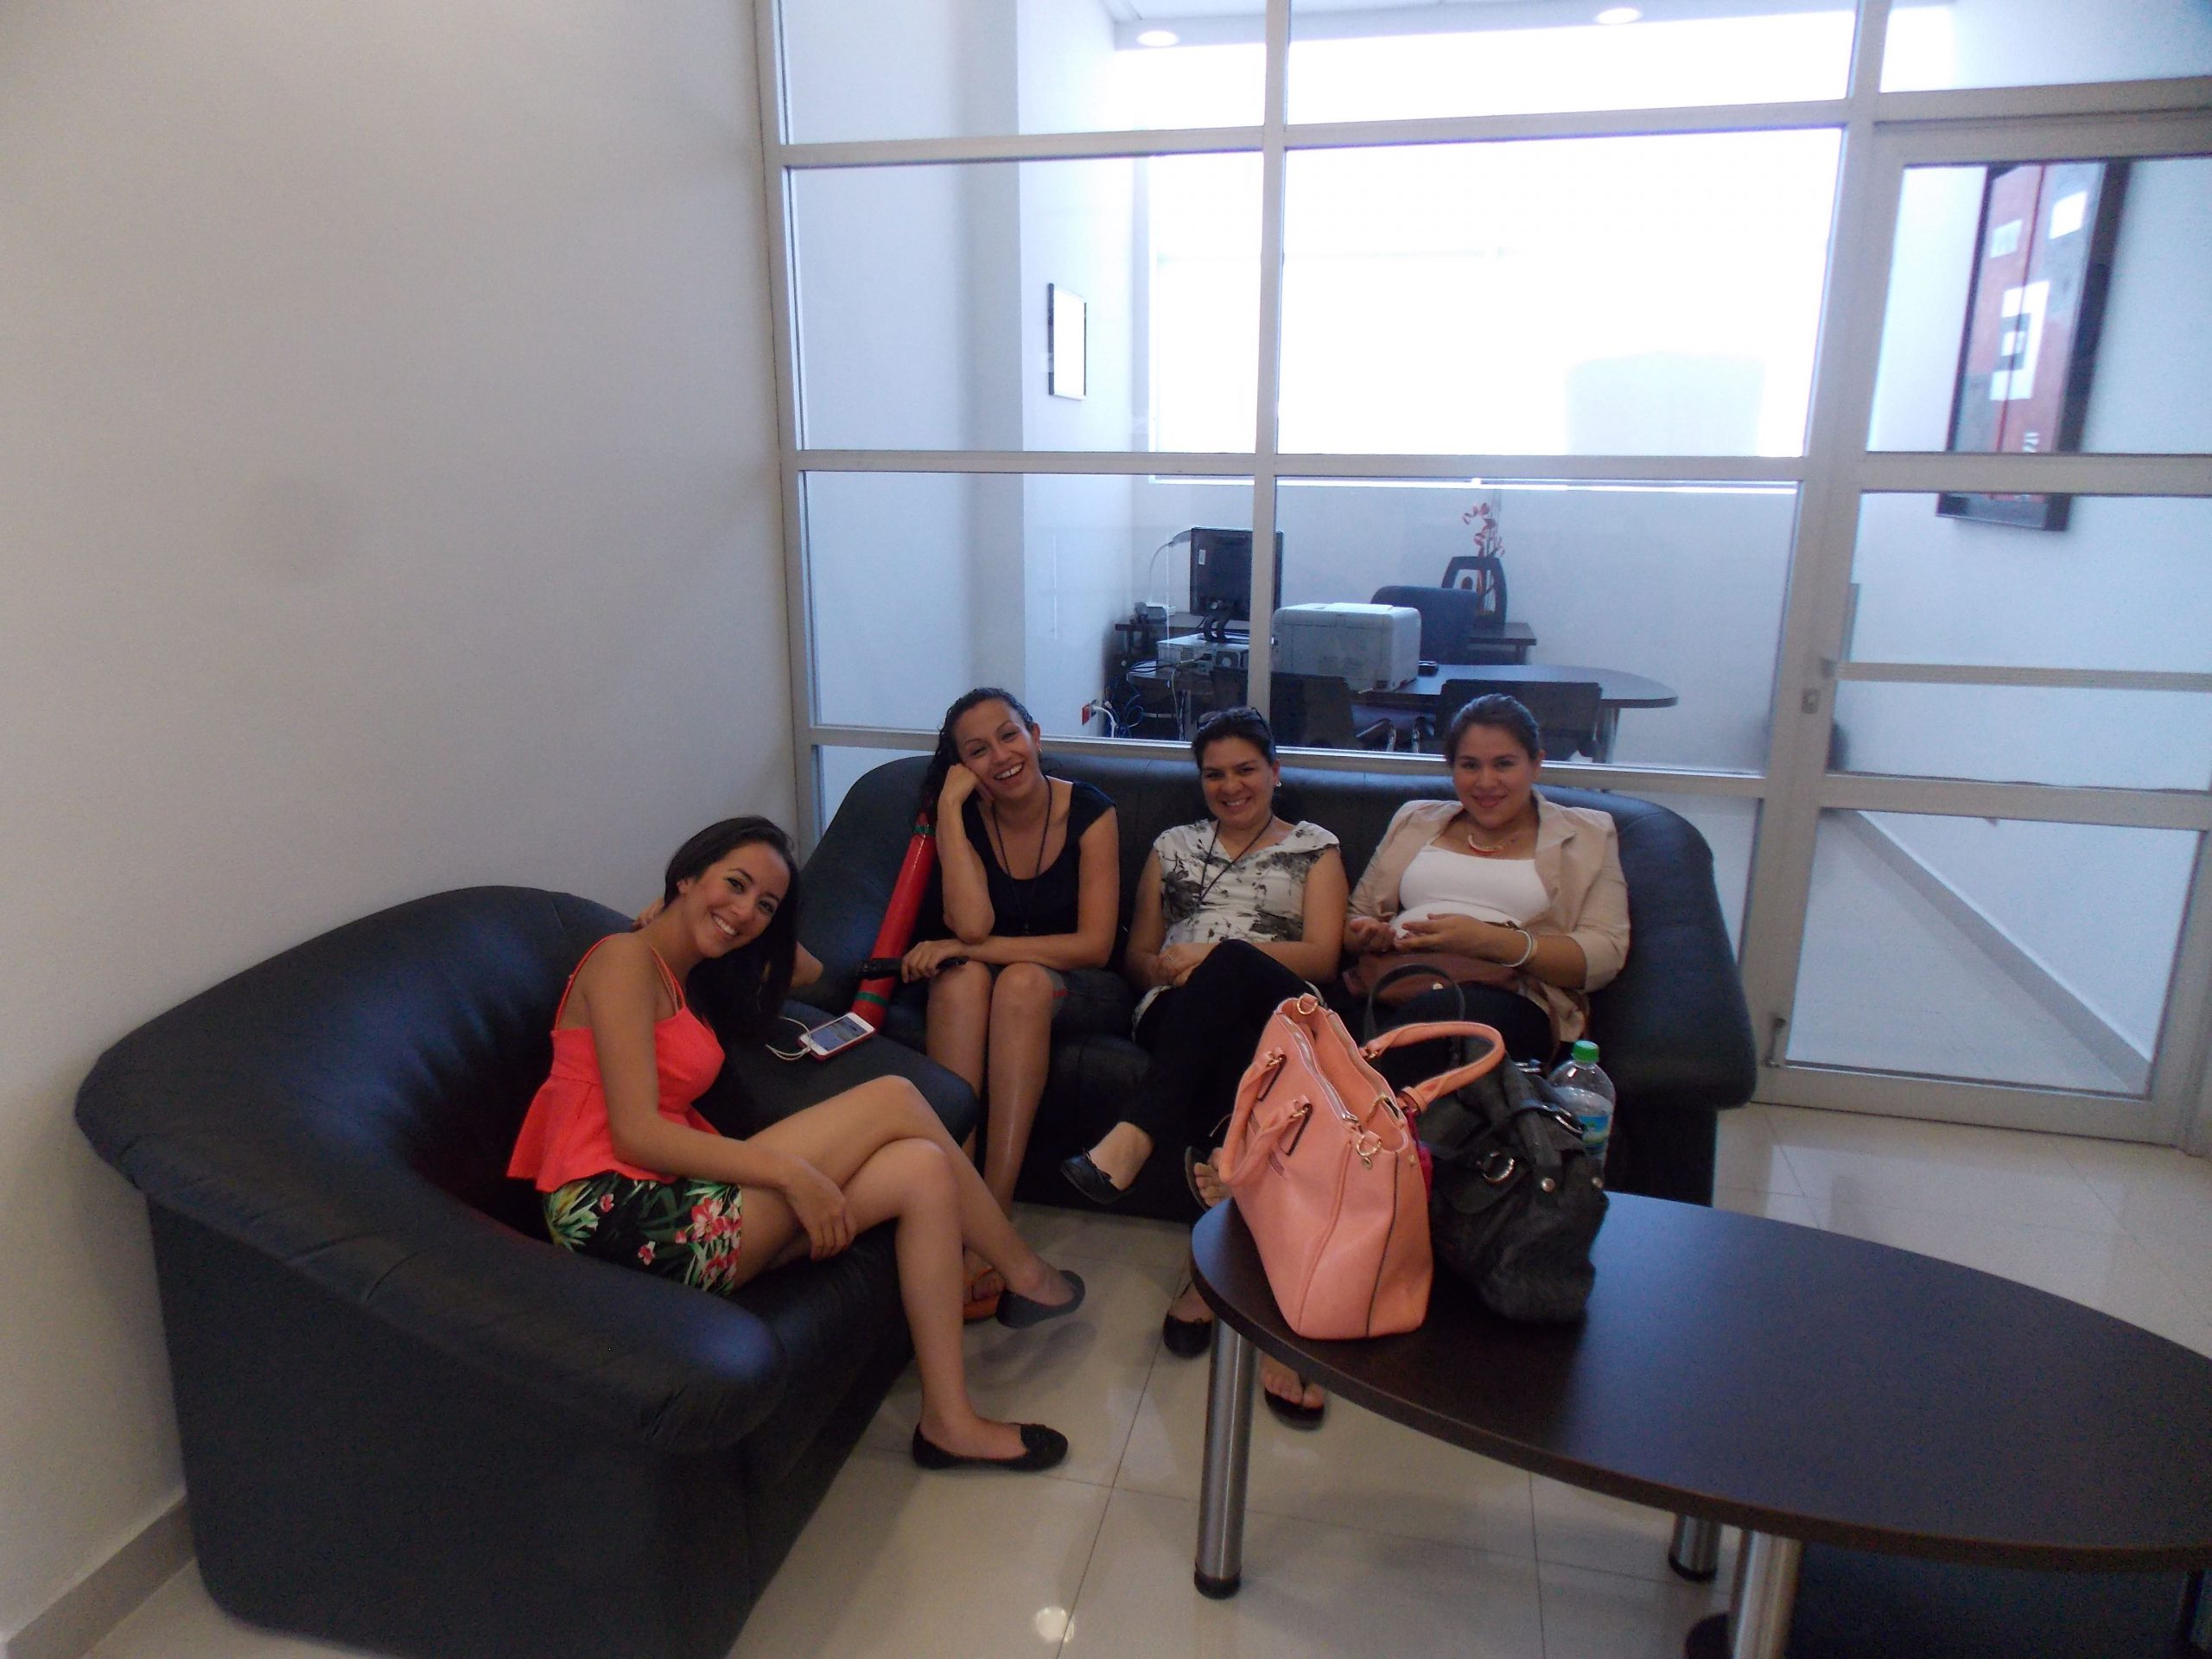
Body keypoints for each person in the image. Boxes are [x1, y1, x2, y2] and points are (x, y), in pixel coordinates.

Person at [509, 816, 1085, 1473]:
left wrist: (747, 919)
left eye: (766, 904)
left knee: (920, 1168)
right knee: (894, 1098)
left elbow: (806, 969)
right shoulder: (623, 960)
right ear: (686, 875)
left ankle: (949, 1423)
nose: (743, 911)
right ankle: (1024, 1274)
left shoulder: (684, 972)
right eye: (734, 884)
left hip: (671, 1194)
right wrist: (791, 1174)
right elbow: (636, 1132)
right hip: (617, 1210)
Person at [1057, 706, 1347, 1429]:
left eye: (1246, 769)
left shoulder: (1315, 847)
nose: (1231, 785)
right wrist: (1166, 968)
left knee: (1233, 966)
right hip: (1182, 1010)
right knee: (1217, 1035)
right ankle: (1260, 1286)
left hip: (1286, 1007)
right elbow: (1137, 957)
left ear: (1275, 771)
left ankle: (1144, 1147)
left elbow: (1323, 956)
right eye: (1214, 774)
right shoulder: (1173, 846)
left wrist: (1218, 956)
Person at [901, 688, 1121, 1317]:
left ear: (1035, 736)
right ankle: (958, 1215)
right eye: (977, 751)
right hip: (990, 977)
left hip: (1078, 983)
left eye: (1008, 736)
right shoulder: (968, 816)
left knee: (1017, 980)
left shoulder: (1091, 812)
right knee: (959, 979)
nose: (1000, 757)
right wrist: (949, 809)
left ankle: (991, 1221)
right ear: (962, 767)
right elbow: (970, 926)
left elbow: (1094, 945)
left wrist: (968, 948)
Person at [1344, 693, 1630, 1065]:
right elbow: (1356, 920)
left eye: (1504, 764)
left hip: (1506, 999)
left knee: (1435, 1017)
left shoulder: (1589, 833)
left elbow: (1604, 954)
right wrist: (1370, 933)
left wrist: (1490, 941)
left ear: (1536, 764)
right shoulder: (1415, 818)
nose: (1486, 782)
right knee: (1288, 996)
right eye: (1469, 765)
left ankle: (1361, 1084)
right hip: (1394, 980)